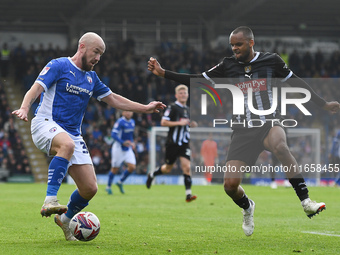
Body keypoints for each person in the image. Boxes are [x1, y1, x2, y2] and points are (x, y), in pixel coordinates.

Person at [147, 26, 340, 236]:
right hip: (242, 130)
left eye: (238, 44)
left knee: (280, 146)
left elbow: (297, 82)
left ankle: (306, 201)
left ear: (250, 42)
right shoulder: (227, 65)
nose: (234, 48)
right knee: (230, 186)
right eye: (232, 45)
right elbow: (197, 79)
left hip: (269, 122)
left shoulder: (272, 61)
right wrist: (164, 73)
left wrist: (323, 104)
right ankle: (248, 207)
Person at [12, 32, 165, 241]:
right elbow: (35, 88)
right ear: (82, 47)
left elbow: (113, 99)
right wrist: (23, 108)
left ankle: (64, 221)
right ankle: (50, 200)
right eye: (96, 52)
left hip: (73, 134)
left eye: (101, 54)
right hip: (45, 123)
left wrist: (145, 108)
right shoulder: (59, 65)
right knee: (66, 145)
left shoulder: (92, 78)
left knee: (90, 189)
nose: (98, 58)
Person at [146, 84, 197, 202]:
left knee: (187, 167)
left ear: (188, 95)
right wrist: (179, 123)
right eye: (181, 93)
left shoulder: (188, 109)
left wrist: (192, 124)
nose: (183, 95)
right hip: (172, 143)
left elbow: (186, 123)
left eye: (185, 93)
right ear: (176, 95)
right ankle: (152, 175)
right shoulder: (172, 107)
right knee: (167, 168)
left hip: (184, 143)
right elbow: (163, 122)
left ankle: (188, 194)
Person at [106, 110, 136, 195]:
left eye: (130, 112)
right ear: (123, 113)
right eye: (126, 111)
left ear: (132, 113)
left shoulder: (133, 122)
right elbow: (113, 134)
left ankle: (120, 182)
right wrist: (122, 142)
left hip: (127, 148)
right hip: (118, 148)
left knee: (132, 167)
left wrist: (132, 142)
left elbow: (130, 136)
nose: (128, 113)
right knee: (115, 169)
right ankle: (108, 186)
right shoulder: (120, 122)